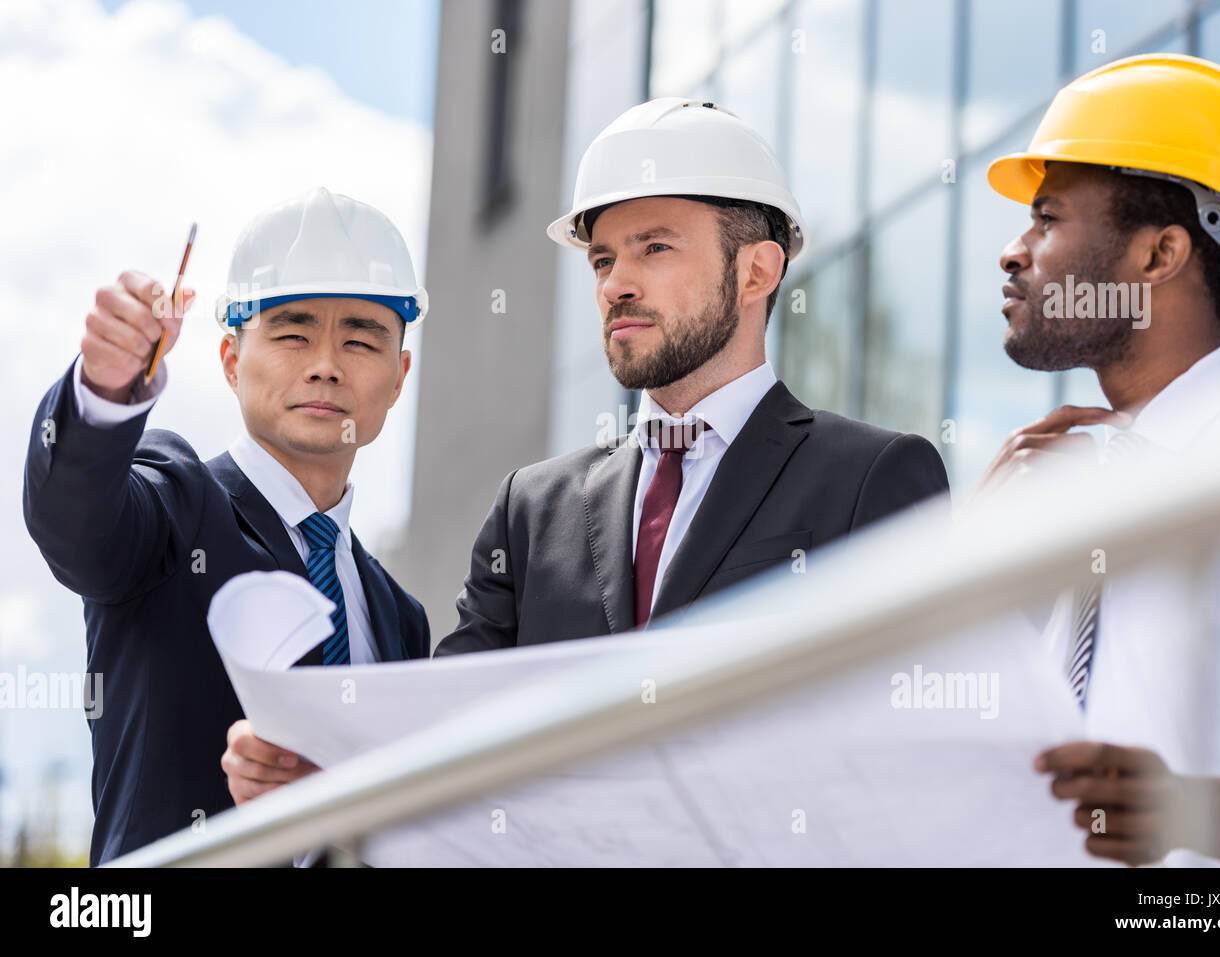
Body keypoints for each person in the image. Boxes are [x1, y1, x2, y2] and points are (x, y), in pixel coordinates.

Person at [223, 99, 951, 808]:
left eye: (654, 248)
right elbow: (440, 731)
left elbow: (919, 755)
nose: (616, 285)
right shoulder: (533, 510)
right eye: (602, 259)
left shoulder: (871, 478)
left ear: (757, 271)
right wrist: (319, 764)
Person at [23, 187, 432, 865]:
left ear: (398, 377)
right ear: (231, 360)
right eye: (293, 332)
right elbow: (76, 524)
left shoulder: (400, 616)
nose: (325, 362)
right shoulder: (176, 505)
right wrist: (101, 395)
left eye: (360, 337)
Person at [980, 53, 1220, 865]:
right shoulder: (1067, 483)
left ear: (1158, 257)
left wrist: (1195, 812)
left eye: (1047, 218)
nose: (1014, 253)